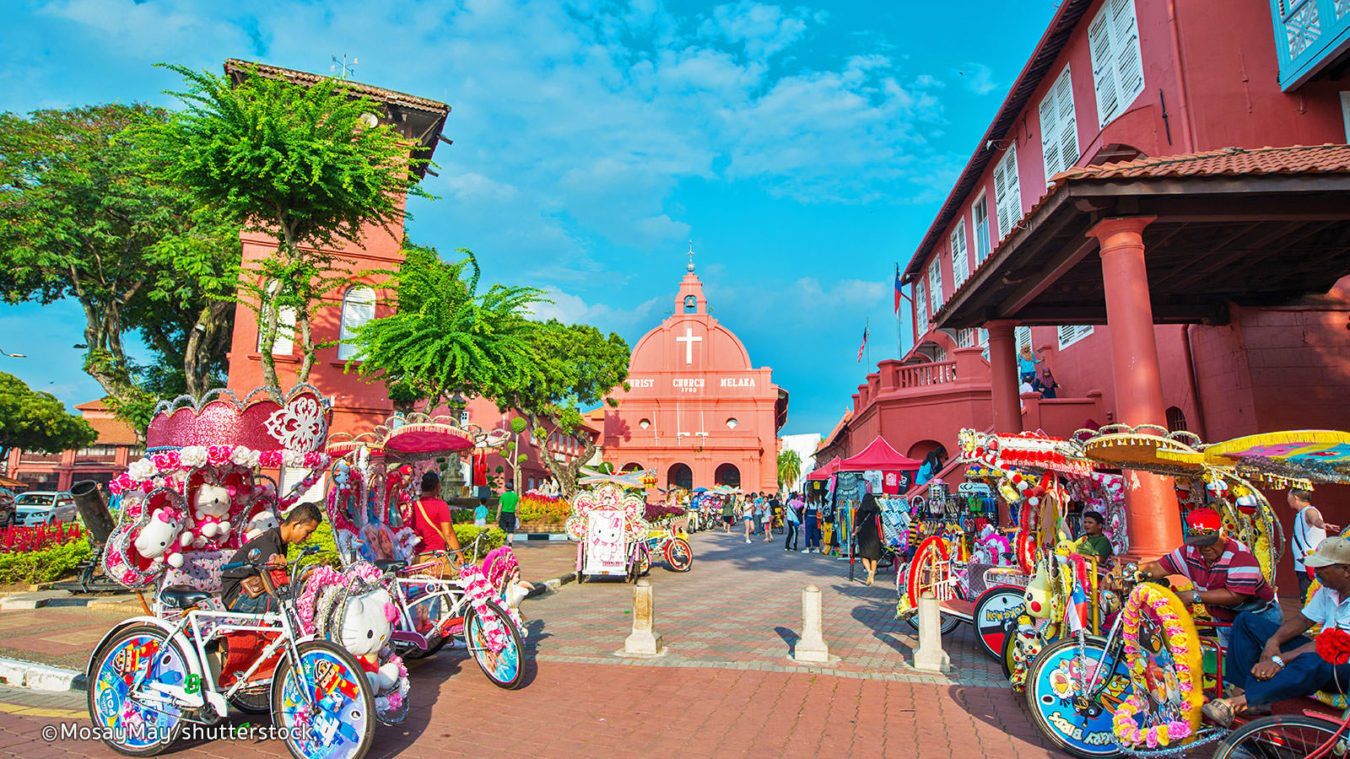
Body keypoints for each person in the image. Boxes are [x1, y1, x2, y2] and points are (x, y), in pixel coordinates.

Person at [1201, 535, 1350, 727]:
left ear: (1346, 570)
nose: (1317, 572)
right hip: (1324, 651)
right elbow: (1304, 619)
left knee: (1312, 660)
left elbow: (1329, 645)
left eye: (1323, 568)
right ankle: (1243, 691)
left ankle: (1238, 703)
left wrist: (1279, 660)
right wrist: (1274, 642)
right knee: (1246, 621)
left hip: (1342, 665)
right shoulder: (1329, 589)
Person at [1137, 507, 1280, 644]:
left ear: (1223, 534)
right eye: (1199, 544)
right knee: (1228, 663)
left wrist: (1192, 596)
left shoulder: (1239, 554)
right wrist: (1134, 572)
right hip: (1223, 619)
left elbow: (1235, 595)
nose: (1205, 548)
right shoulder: (1190, 551)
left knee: (1255, 665)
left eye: (1209, 542)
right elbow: (1157, 567)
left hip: (1258, 618)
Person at [221, 502, 323, 614]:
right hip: (239, 599)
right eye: (308, 532)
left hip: (253, 593)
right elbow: (275, 586)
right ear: (295, 524)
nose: (309, 537)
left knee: (309, 594)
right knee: (301, 600)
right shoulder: (269, 543)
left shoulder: (278, 540)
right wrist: (307, 575)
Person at [412, 470, 463, 576]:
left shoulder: (413, 506)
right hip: (437, 559)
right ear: (437, 487)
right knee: (442, 590)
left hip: (418, 559)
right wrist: (459, 554)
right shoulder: (441, 505)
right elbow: (448, 533)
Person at [1291, 488, 1339, 598]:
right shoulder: (1301, 514)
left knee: (1310, 598)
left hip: (1309, 566)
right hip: (1304, 565)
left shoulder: (1309, 511)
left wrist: (1322, 524)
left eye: (1289, 496)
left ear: (1295, 498)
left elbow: (1315, 519)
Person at [853, 493, 884, 585]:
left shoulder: (860, 511)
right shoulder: (877, 510)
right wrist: (883, 537)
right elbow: (880, 524)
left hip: (863, 536)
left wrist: (854, 533)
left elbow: (858, 525)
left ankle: (869, 571)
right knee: (874, 557)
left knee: (864, 556)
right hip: (874, 536)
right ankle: (872, 575)